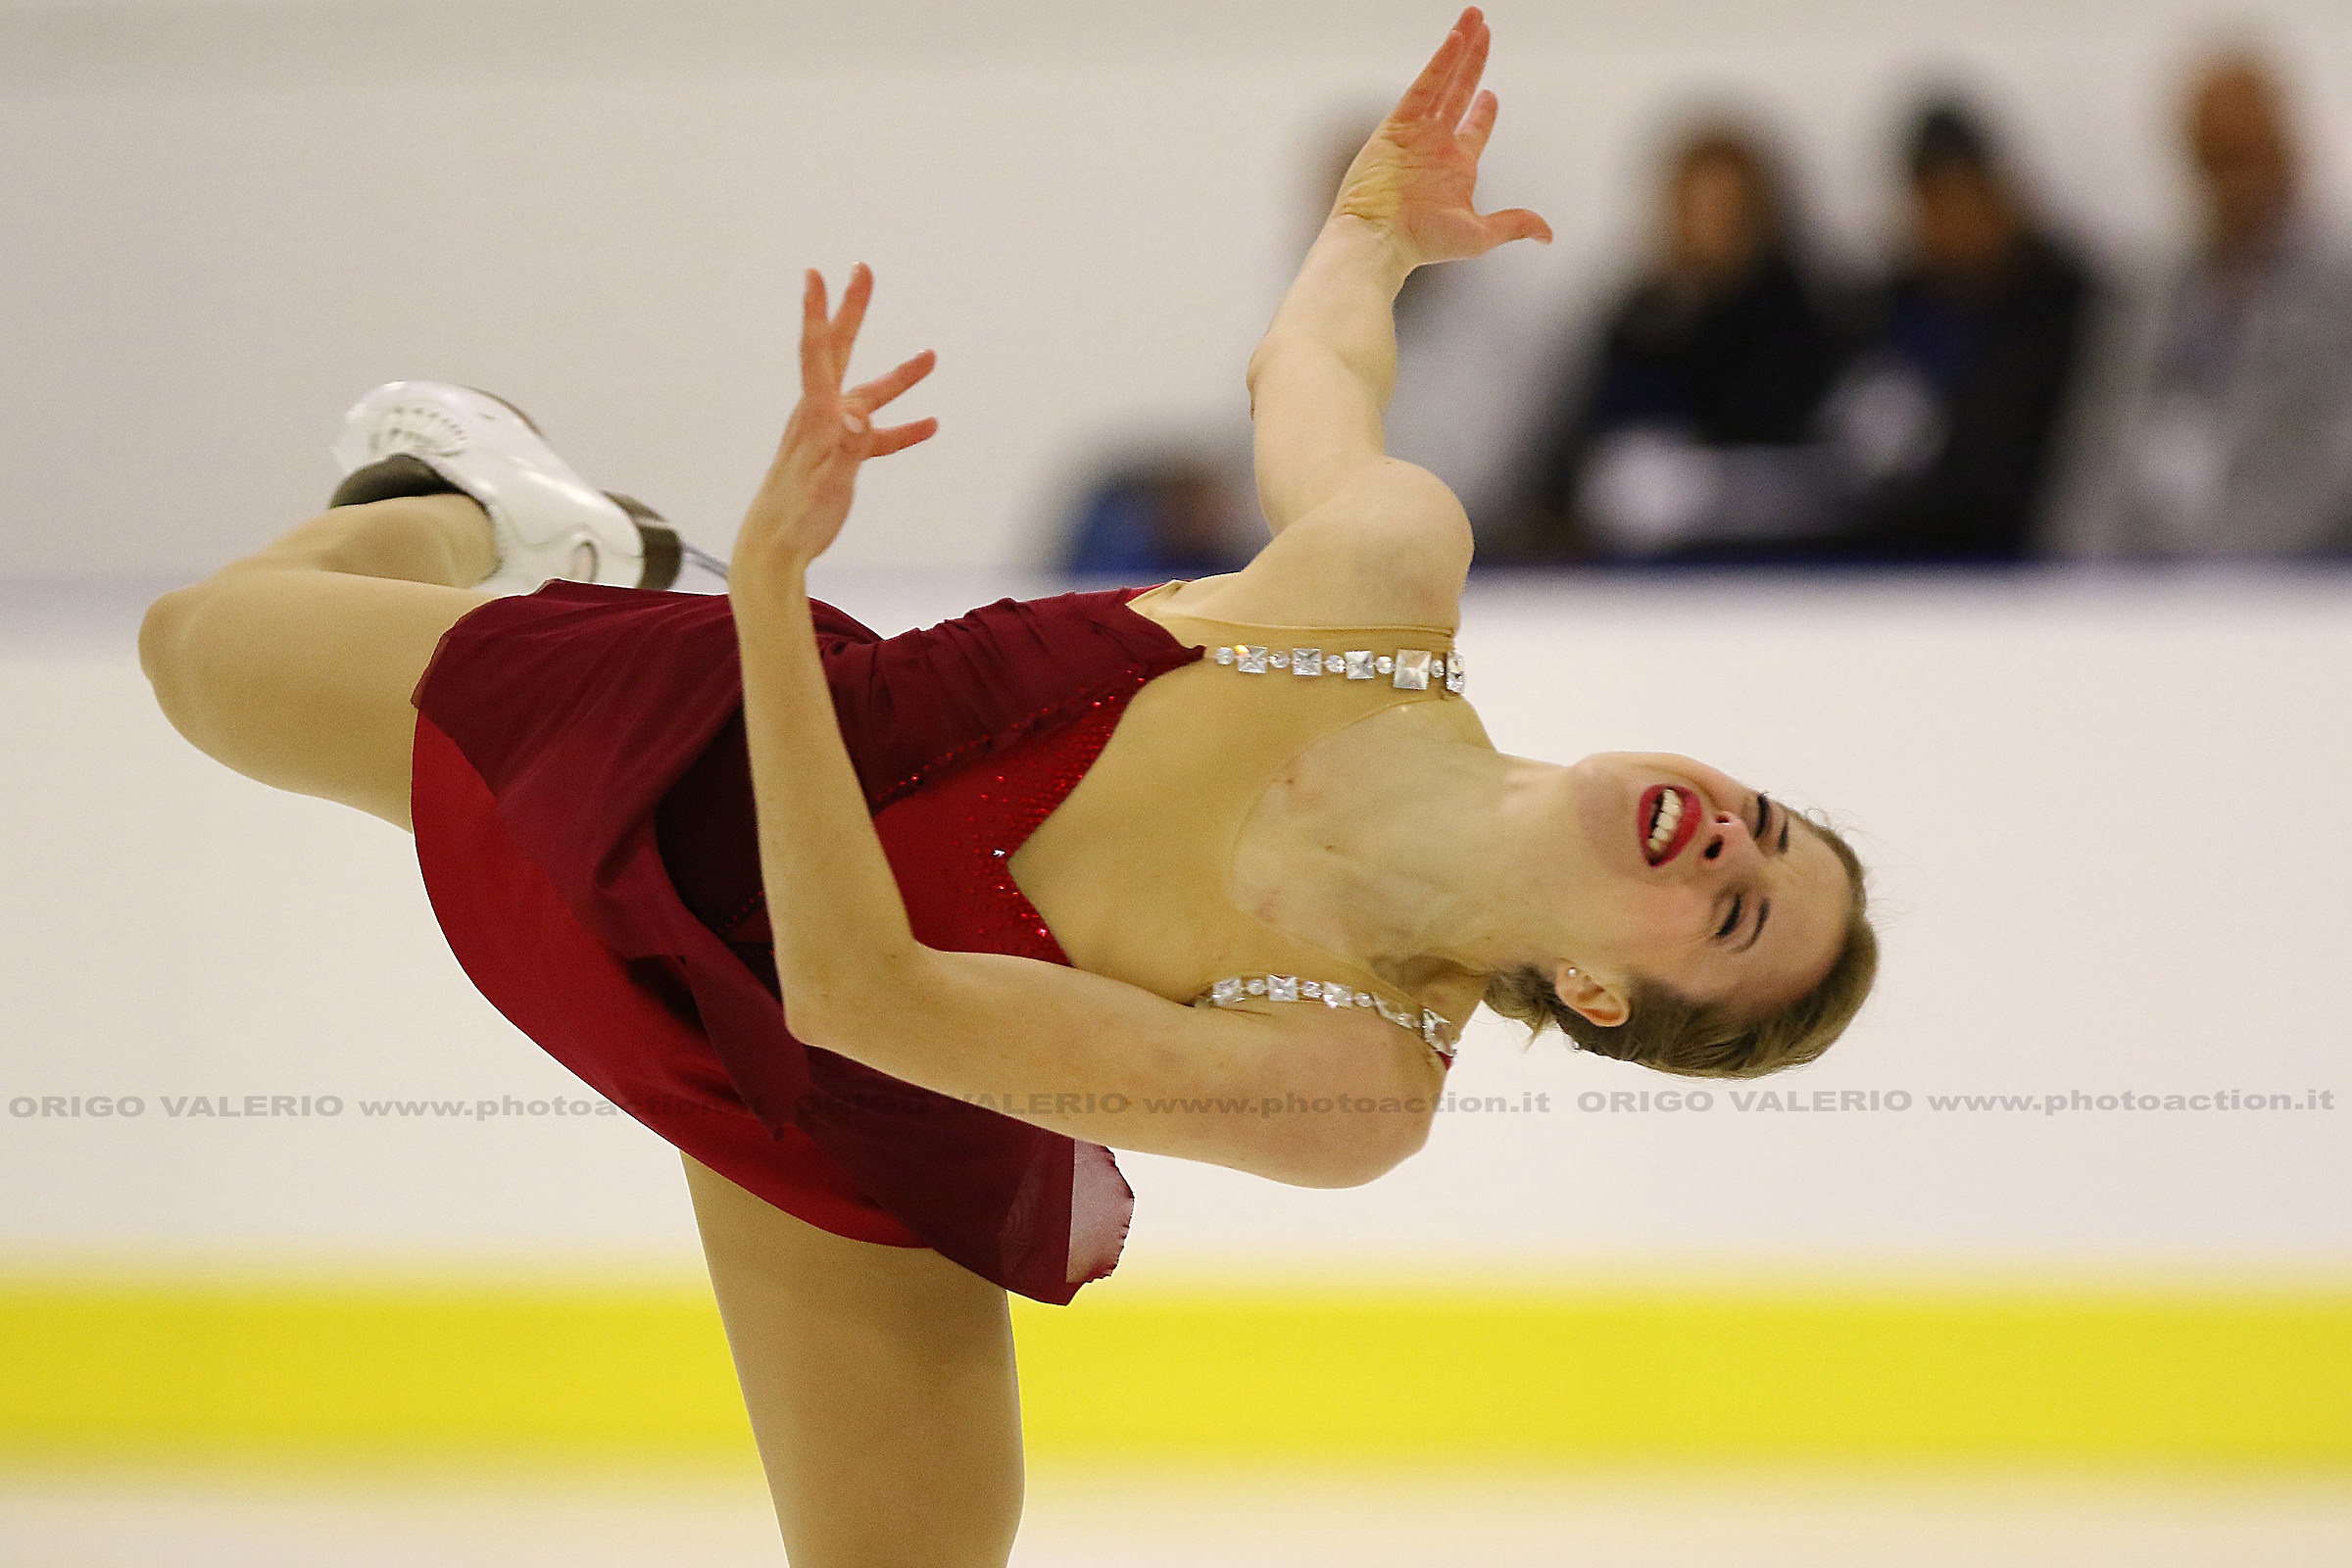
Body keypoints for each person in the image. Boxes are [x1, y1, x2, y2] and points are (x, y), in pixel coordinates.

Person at [135, 13, 1875, 1564]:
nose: (1732, 838)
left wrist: (756, 581)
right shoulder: (1386, 574)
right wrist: (1367, 236)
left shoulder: (1354, 1090)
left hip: (852, 1086)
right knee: (195, 655)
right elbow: (1314, 381)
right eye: (1770, 827)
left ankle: (557, 541)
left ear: (1597, 993)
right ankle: (473, 511)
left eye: (1731, 914)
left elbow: (855, 994)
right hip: (707, 750)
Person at [1500, 118, 1859, 562]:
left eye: (1729, 207)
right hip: (1644, 586)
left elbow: (1835, 469)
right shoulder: (1637, 322)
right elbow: (1568, 457)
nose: (1713, 226)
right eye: (1697, 206)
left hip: (1792, 574)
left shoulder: (1817, 318)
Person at [2063, 49, 2352, 559]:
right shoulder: (2148, 296)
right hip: (2140, 589)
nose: (2233, 183)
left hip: (2290, 590)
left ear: (2289, 149)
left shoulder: (2337, 298)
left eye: (2246, 154)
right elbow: (2095, 452)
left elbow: (2333, 472)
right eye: (2213, 160)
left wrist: (2223, 572)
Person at [1819, 100, 2097, 562]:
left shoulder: (2069, 309)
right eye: (1931, 203)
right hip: (1896, 574)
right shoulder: (1884, 317)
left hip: (2035, 572)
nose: (1950, 224)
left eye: (1961, 197)